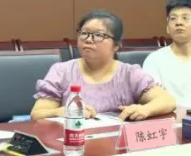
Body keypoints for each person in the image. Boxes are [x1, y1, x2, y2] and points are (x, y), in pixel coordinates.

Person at [31, 11, 176, 121]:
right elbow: (37, 114)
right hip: (72, 142)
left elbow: (167, 101)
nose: (89, 40)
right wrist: (59, 112)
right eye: (84, 33)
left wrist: (145, 109)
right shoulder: (61, 71)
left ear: (116, 45)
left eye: (98, 35)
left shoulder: (129, 73)